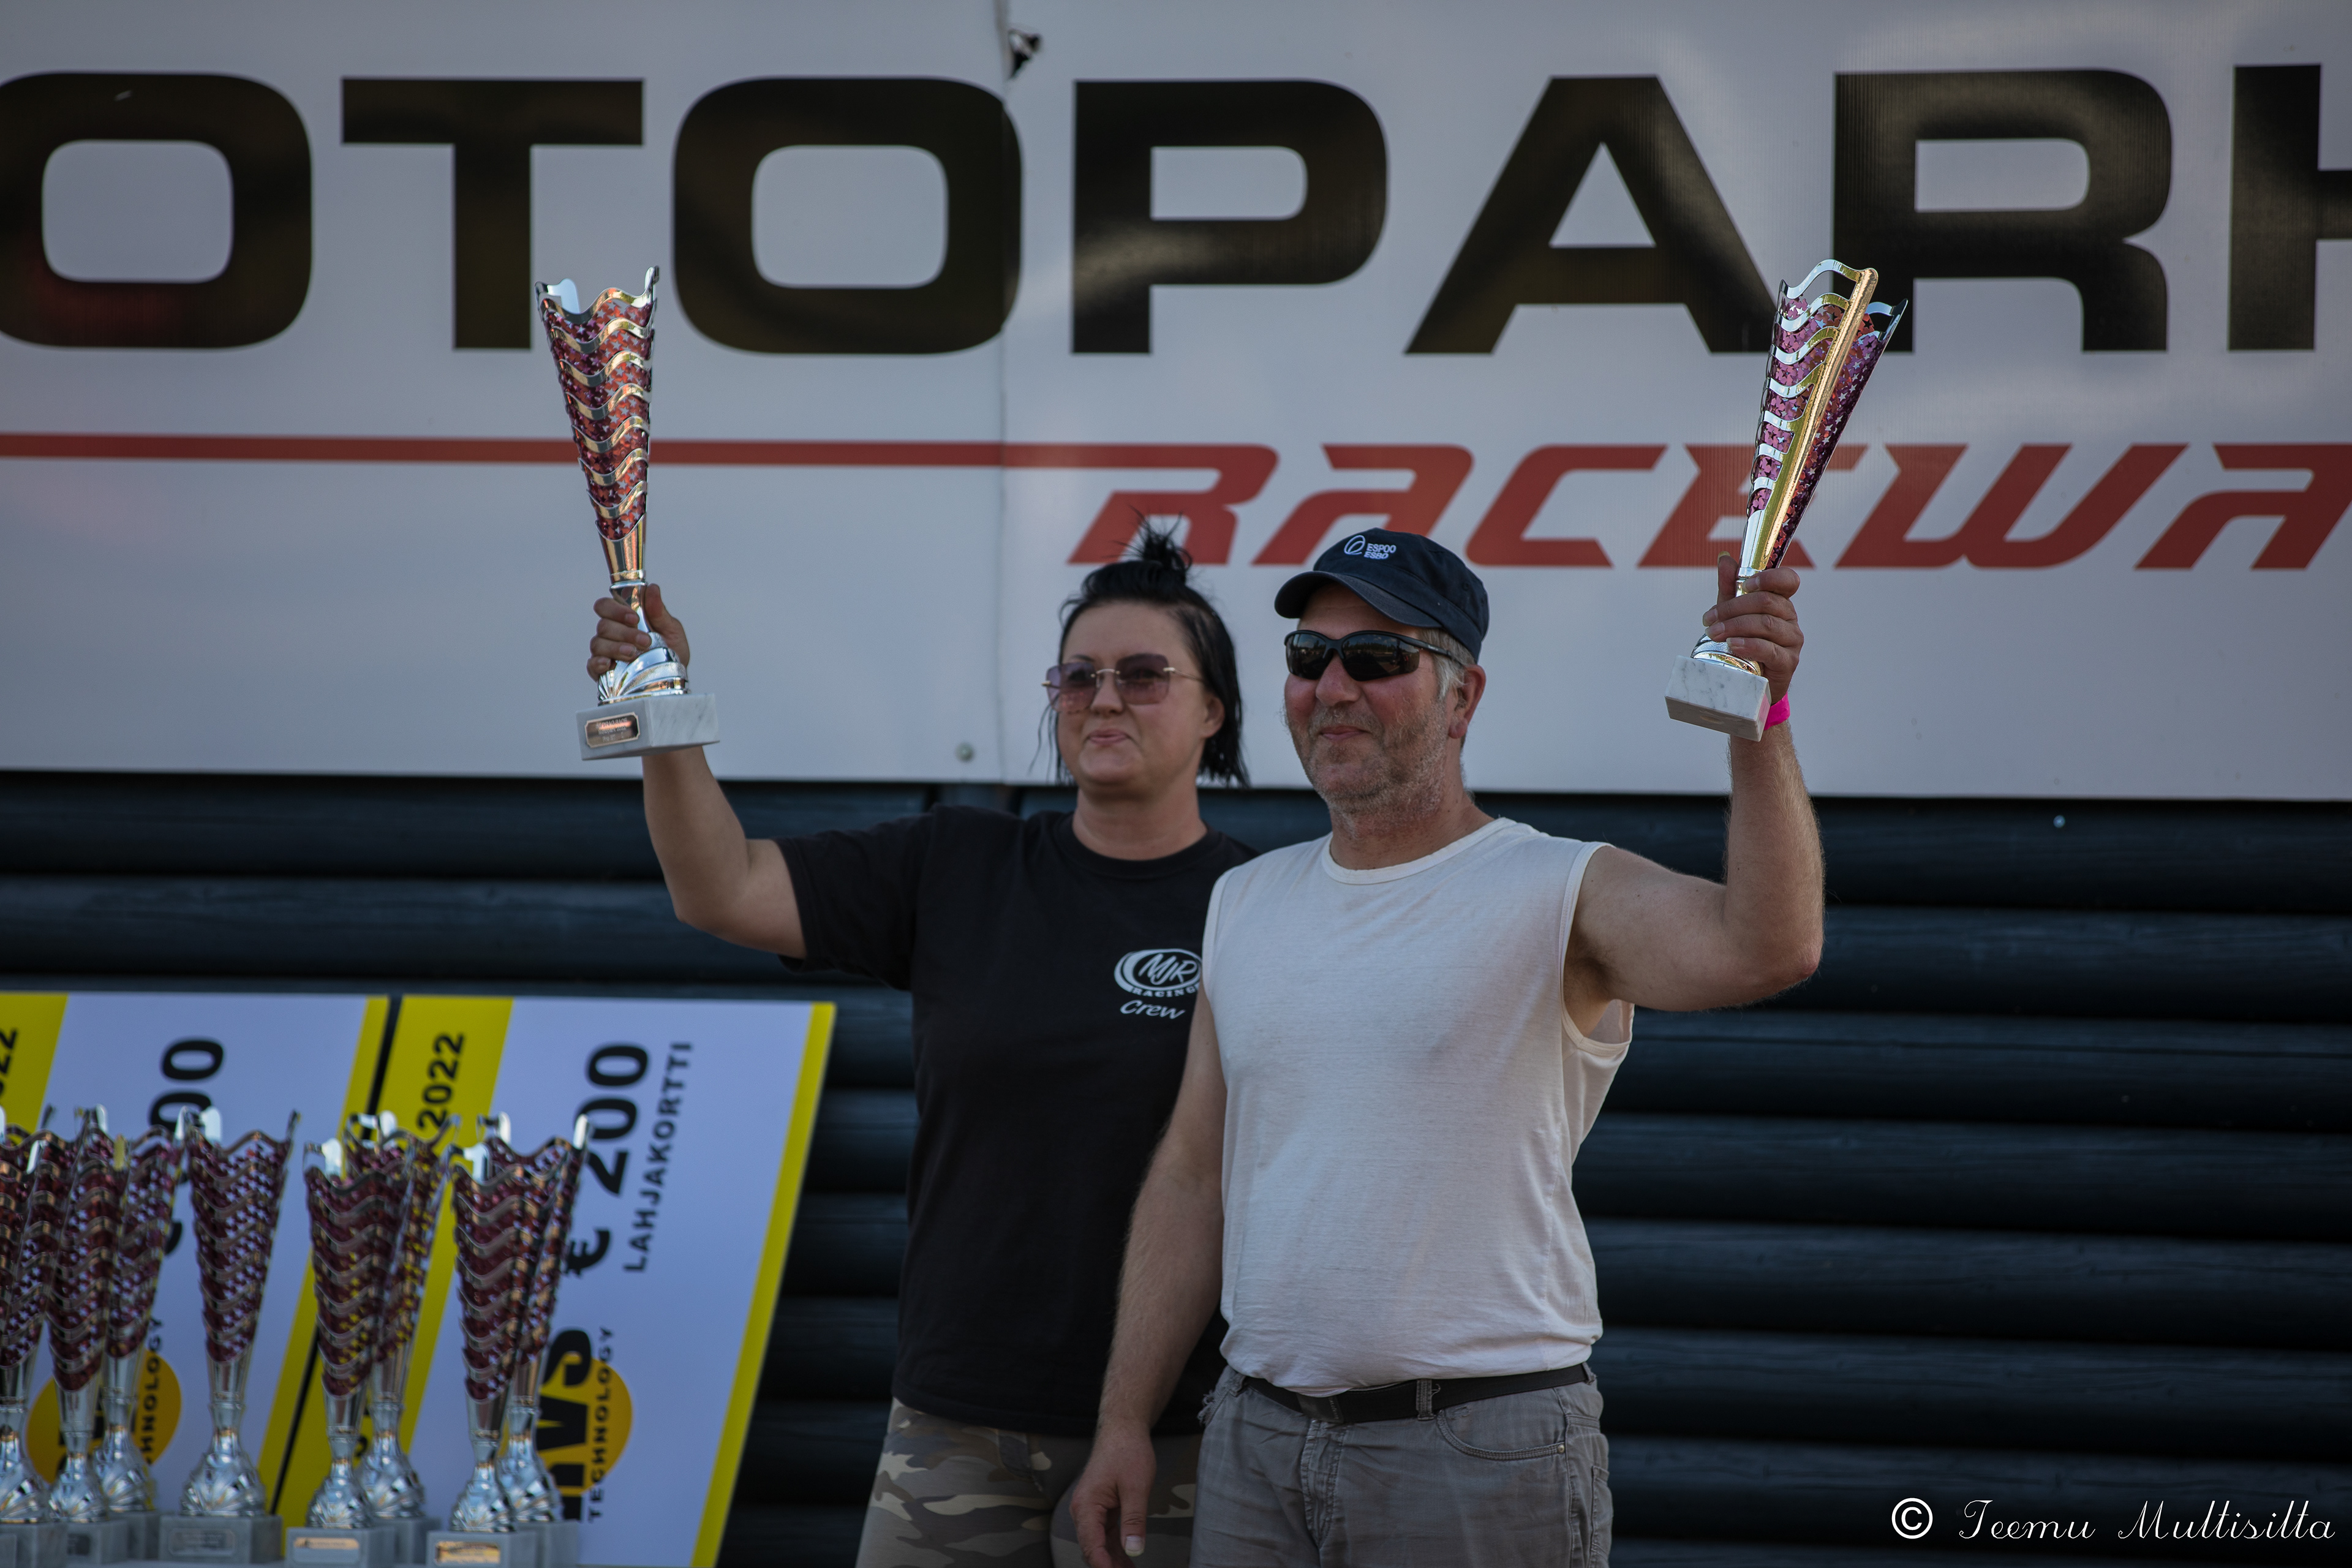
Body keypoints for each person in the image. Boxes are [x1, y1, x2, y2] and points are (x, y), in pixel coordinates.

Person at [1066, 529, 1825, 1568]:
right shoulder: (1243, 899)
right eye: (1309, 656)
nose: (1333, 686)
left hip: (1476, 1450)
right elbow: (1192, 1177)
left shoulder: (1560, 886)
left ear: (1463, 698)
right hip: (1253, 1441)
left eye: (1377, 657)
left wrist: (1759, 715)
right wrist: (1123, 1421)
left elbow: (1769, 947)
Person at [588, 530, 1254, 1567]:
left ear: (1214, 711)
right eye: (1077, 677)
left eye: (1143, 675)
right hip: (955, 1425)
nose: (1104, 700)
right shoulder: (958, 863)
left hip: (1180, 1434)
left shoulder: (1264, 906)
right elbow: (721, 889)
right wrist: (662, 716)